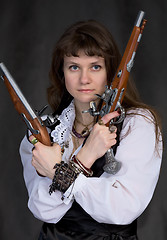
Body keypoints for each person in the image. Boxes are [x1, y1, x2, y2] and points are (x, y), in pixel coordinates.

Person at [20, 20, 163, 240]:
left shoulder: (138, 124)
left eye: (95, 66)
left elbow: (122, 209)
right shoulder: (44, 134)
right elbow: (44, 209)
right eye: (74, 67)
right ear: (62, 73)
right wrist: (86, 157)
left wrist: (59, 173)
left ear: (110, 71)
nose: (84, 79)